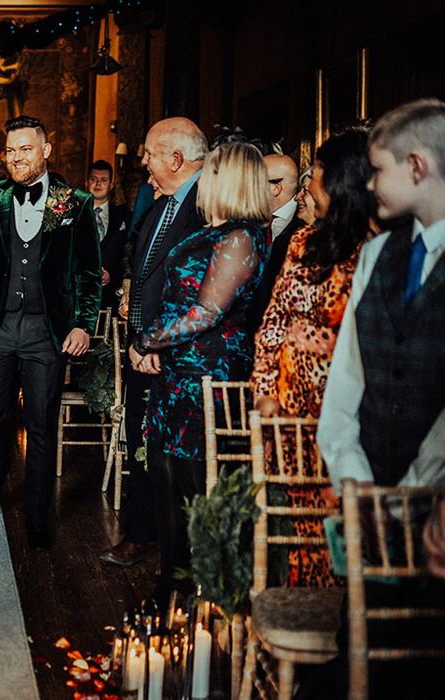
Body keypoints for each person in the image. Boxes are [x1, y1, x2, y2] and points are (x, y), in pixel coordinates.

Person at [316, 98, 445, 700]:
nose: (369, 183)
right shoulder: (377, 253)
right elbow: (346, 380)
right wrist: (354, 477)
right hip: (371, 498)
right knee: (359, 663)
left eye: (378, 168)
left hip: (436, 511)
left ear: (418, 167)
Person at [0, 115, 101, 550]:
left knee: (41, 424)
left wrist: (84, 324)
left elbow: (88, 272)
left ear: (46, 151)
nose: (16, 158)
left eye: (25, 149)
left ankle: (35, 513)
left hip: (44, 331)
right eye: (10, 151)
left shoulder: (76, 202)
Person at [129, 141, 269, 606]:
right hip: (176, 373)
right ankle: (171, 585)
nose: (201, 183)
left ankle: (205, 594)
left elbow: (207, 311)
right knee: (166, 479)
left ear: (226, 181)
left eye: (209, 175)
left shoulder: (243, 236)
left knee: (197, 484)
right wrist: (155, 348)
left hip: (209, 374)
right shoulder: (209, 231)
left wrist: (148, 340)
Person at [251, 128, 376, 586]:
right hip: (291, 415)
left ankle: (344, 632)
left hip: (348, 419)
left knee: (343, 531)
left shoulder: (378, 251)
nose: (307, 190)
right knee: (299, 529)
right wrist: (265, 391)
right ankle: (305, 610)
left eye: (316, 179)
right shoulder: (304, 242)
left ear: (343, 183)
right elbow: (274, 322)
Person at [100, 117, 207, 567]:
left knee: (171, 457)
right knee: (141, 444)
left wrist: (157, 346)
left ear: (176, 159)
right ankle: (142, 532)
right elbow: (142, 265)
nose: (142, 162)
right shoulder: (161, 204)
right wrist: (129, 295)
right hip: (142, 349)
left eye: (149, 153)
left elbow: (200, 292)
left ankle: (179, 550)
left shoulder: (207, 205)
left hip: (174, 357)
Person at [246, 154, 307, 333]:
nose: (248, 189)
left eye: (255, 181)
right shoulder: (249, 223)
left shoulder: (304, 226)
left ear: (276, 188)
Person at [85, 159, 129, 310]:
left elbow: (126, 255)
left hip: (110, 299)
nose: (98, 184)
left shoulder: (122, 216)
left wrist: (112, 275)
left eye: (103, 180)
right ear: (86, 183)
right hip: (80, 297)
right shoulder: (75, 215)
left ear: (111, 185)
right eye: (93, 179)